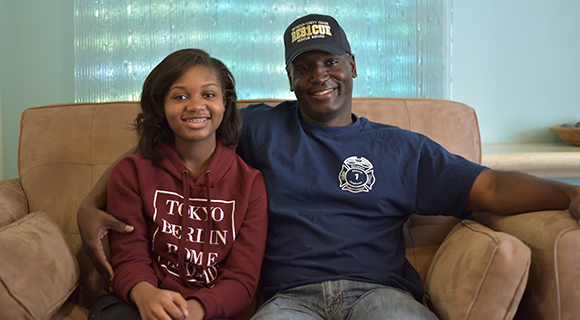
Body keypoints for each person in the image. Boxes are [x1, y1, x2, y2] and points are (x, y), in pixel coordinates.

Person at [78, 14, 580, 320]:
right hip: (286, 301)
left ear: (353, 64)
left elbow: (488, 187)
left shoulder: (401, 149)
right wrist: (90, 203)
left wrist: (566, 194)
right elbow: (162, 149)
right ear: (290, 77)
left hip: (380, 294)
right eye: (304, 65)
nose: (320, 75)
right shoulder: (259, 128)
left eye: (330, 61)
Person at [86, 49, 268, 320]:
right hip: (137, 303)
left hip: (211, 310)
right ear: (161, 105)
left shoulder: (250, 184)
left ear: (226, 102)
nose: (195, 106)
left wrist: (191, 311)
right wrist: (145, 294)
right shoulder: (131, 172)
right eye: (180, 96)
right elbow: (129, 258)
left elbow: (242, 280)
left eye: (208, 94)